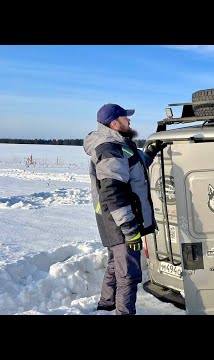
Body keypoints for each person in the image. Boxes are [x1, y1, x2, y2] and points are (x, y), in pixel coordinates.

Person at [83, 103, 163, 315]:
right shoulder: (110, 149)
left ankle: (106, 305)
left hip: (114, 220)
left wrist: (151, 151)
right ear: (114, 123)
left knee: (115, 263)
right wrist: (130, 228)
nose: (130, 121)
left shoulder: (119, 146)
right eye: (125, 118)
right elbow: (113, 193)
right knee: (128, 273)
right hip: (120, 220)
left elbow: (132, 166)